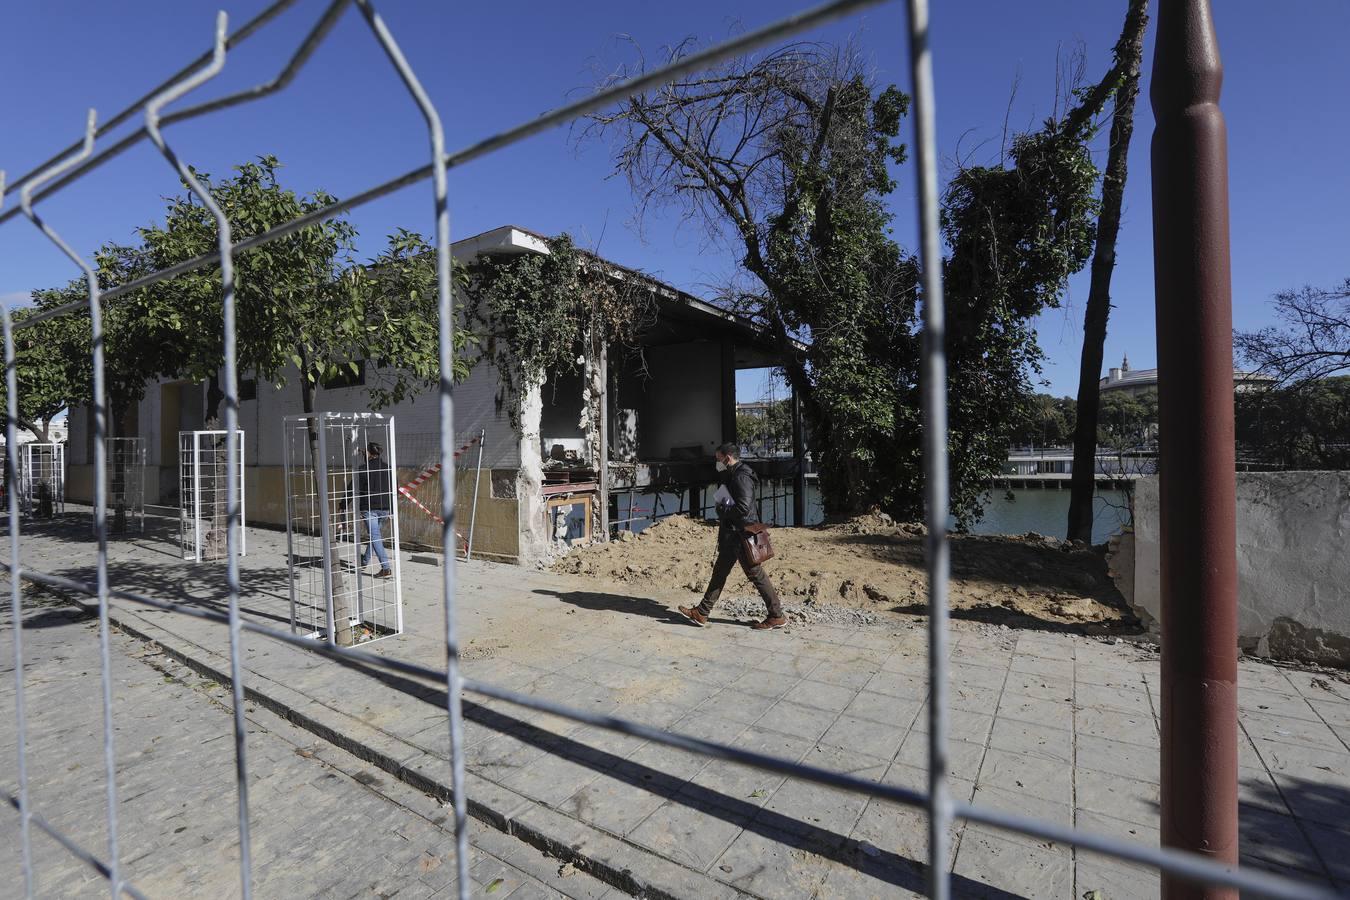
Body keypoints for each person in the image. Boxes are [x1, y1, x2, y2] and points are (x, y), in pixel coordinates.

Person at [678, 443, 786, 630]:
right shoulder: (734, 474)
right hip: (734, 533)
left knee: (755, 574)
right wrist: (724, 503)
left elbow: (743, 507)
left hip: (741, 534)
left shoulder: (741, 476)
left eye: (718, 458)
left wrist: (723, 508)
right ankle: (702, 612)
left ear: (727, 458)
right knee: (720, 572)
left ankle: (776, 615)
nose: (717, 462)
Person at [352, 441, 394, 578]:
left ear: (369, 453)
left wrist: (342, 504)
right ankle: (364, 561)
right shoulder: (388, 468)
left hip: (369, 508)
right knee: (374, 537)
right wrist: (392, 509)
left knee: (375, 537)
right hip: (385, 508)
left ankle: (386, 568)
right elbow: (394, 489)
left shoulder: (363, 469)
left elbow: (352, 488)